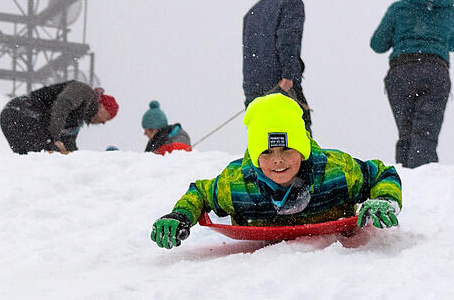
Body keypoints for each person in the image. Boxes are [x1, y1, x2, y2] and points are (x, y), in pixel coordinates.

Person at [150, 94, 402, 248]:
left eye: (287, 150)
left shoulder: (336, 172)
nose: (278, 161)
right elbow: (201, 193)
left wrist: (384, 199)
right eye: (267, 153)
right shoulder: (238, 184)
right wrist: (180, 215)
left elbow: (380, 173)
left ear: (303, 149)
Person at [370, 0, 454, 168]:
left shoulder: (399, 8)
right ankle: (424, 179)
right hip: (436, 71)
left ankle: (406, 181)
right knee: (425, 134)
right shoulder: (450, 11)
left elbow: (377, 44)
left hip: (402, 72)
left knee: (406, 133)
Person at [242, 0, 312, 132]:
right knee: (298, 135)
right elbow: (288, 40)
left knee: (262, 138)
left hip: (253, 86)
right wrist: (288, 75)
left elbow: (248, 52)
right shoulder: (291, 4)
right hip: (280, 82)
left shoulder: (251, 13)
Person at [0, 80, 118, 154]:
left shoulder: (75, 122)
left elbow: (68, 145)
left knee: (34, 160)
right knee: (49, 152)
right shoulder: (84, 91)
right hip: (23, 112)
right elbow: (62, 104)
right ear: (102, 106)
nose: (103, 122)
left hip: (11, 117)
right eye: (107, 117)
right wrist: (54, 139)